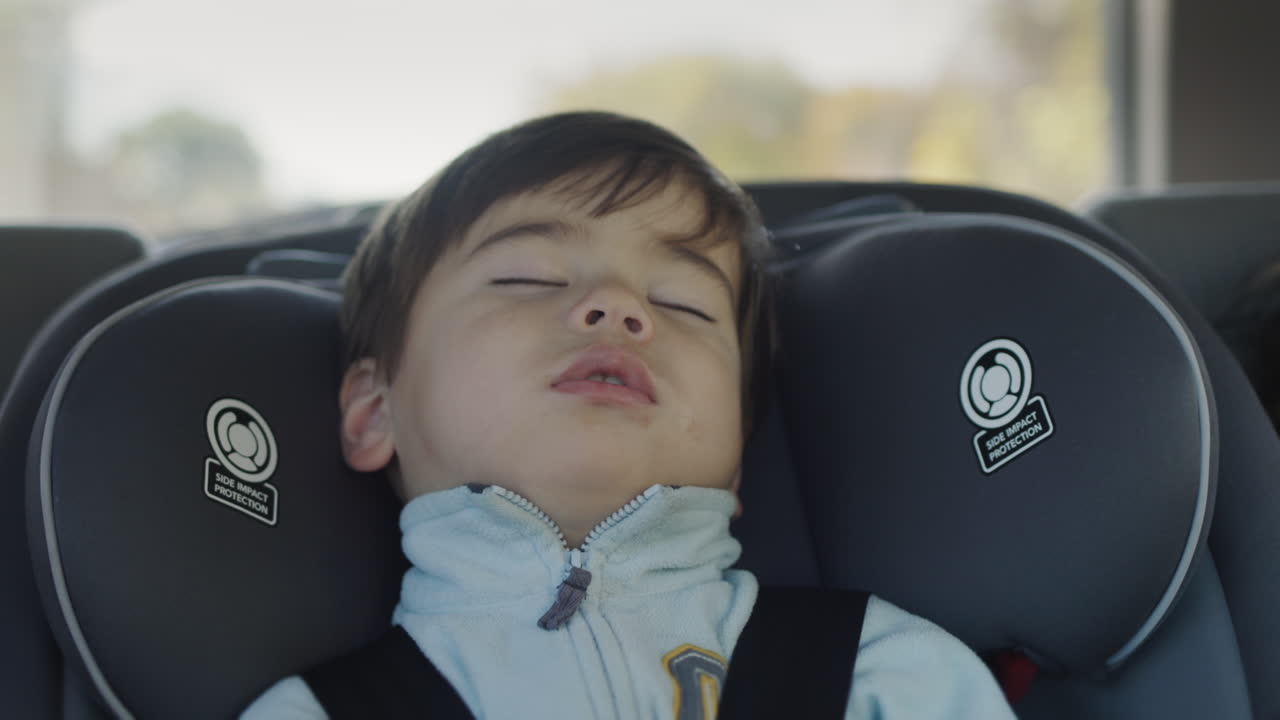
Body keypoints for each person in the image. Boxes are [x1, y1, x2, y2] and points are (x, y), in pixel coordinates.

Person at [242, 111, 1015, 718]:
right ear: (376, 412)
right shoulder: (314, 712)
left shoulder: (885, 675)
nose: (617, 307)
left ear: (737, 458)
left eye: (681, 301)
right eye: (528, 277)